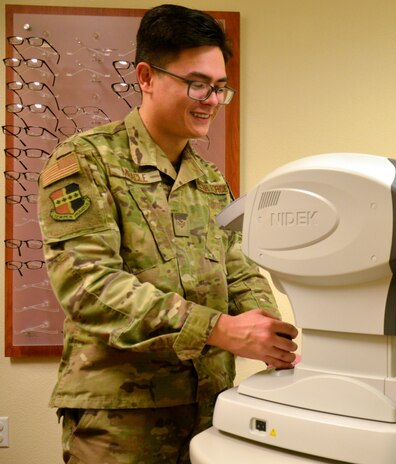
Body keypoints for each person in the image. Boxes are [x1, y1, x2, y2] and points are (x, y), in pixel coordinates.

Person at [37, 5, 298, 463]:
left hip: (210, 410)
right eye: (197, 84)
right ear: (146, 76)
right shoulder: (87, 161)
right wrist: (218, 329)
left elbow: (238, 268)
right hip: (122, 420)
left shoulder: (211, 179)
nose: (212, 100)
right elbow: (88, 286)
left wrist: (266, 328)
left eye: (220, 88)